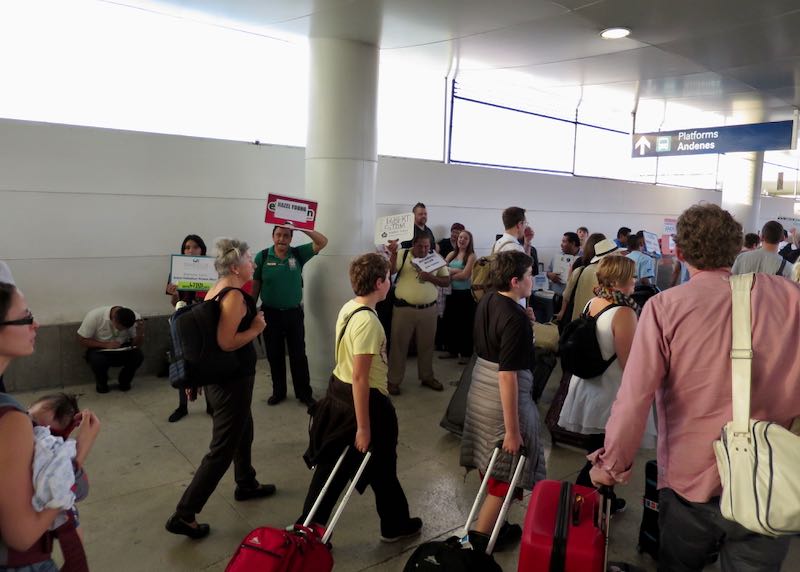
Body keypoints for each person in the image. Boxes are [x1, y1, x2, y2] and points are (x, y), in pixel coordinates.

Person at [589, 204, 800, 570]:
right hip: (771, 480)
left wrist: (612, 464)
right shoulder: (790, 297)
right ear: (737, 249)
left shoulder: (664, 308)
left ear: (681, 253)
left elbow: (635, 397)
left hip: (693, 481)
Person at [299, 253, 422, 543]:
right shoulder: (369, 323)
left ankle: (392, 522)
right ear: (380, 283)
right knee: (354, 469)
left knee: (362, 468)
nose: (390, 282)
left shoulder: (350, 308)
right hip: (366, 404)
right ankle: (310, 532)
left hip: (338, 394)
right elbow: (360, 378)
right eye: (388, 277)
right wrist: (363, 428)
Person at [166, 239, 274, 540]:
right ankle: (184, 513)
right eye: (250, 259)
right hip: (231, 380)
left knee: (244, 428)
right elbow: (225, 343)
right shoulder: (235, 297)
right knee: (222, 448)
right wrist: (256, 329)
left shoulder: (217, 289)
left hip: (223, 379)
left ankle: (246, 482)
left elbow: (208, 340)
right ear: (237, 266)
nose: (253, 263)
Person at [0, 282, 101, 572]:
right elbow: (22, 535)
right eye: (25, 316)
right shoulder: (10, 419)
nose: (36, 324)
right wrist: (78, 453)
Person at [460, 251, 546, 553]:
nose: (532, 280)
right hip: (500, 399)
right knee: (505, 473)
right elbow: (508, 376)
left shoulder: (489, 300)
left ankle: (497, 523)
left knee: (491, 462)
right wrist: (512, 431)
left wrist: (526, 322)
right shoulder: (514, 318)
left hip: (480, 392)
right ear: (515, 280)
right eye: (529, 275)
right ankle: (481, 540)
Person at [557, 256, 653, 514]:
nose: (635, 280)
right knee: (604, 457)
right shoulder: (623, 312)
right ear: (621, 280)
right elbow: (629, 362)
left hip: (589, 389)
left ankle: (604, 501)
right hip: (609, 395)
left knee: (598, 450)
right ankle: (578, 505)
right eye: (631, 276)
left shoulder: (594, 302)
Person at [252, 225, 328, 407]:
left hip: (294, 314)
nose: (282, 239)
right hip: (270, 314)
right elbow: (255, 285)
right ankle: (279, 392)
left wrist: (301, 226)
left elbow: (322, 242)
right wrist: (251, 311)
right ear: (273, 236)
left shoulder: (298, 254)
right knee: (274, 355)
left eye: (286, 235)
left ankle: (304, 393)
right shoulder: (262, 256)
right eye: (278, 235)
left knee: (298, 355)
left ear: (291, 238)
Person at [28, 393, 92, 572]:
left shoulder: (60, 452)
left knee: (70, 514)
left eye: (49, 431)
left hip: (47, 511)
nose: (38, 432)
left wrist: (76, 458)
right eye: (31, 420)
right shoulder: (16, 436)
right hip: (28, 521)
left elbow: (79, 490)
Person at [386, 235, 450, 395]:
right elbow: (391, 271)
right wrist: (393, 254)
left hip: (429, 310)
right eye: (420, 246)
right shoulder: (403, 254)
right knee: (398, 346)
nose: (423, 250)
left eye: (427, 246)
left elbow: (446, 280)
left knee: (427, 345)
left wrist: (430, 277)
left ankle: (427, 377)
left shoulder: (435, 258)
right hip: (404, 309)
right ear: (414, 244)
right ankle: (393, 380)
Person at [165, 234, 213, 422]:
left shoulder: (211, 270)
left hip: (204, 320)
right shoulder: (176, 271)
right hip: (183, 322)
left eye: (195, 247)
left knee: (207, 362)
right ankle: (182, 406)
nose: (190, 250)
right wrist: (174, 294)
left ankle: (211, 404)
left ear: (202, 249)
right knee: (181, 363)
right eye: (186, 247)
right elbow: (174, 303)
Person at [77, 305, 145, 393]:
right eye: (120, 328)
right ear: (113, 319)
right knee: (97, 360)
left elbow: (136, 345)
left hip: (122, 348)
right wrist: (105, 345)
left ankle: (124, 381)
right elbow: (82, 340)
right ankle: (102, 384)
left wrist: (140, 333)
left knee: (138, 356)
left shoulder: (134, 318)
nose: (121, 331)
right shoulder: (94, 316)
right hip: (100, 349)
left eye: (125, 329)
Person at [557, 238, 619, 324]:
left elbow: (566, 296)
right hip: (597, 324)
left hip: (577, 323)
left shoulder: (580, 270)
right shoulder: (606, 274)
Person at [440, 230, 477, 362]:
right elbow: (441, 269)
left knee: (464, 325)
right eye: (460, 237)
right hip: (451, 293)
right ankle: (452, 350)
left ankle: (466, 354)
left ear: (469, 241)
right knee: (450, 322)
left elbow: (466, 275)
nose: (461, 240)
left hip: (465, 295)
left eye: (465, 238)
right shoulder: (451, 254)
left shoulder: (471, 256)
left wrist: (450, 273)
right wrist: (456, 271)